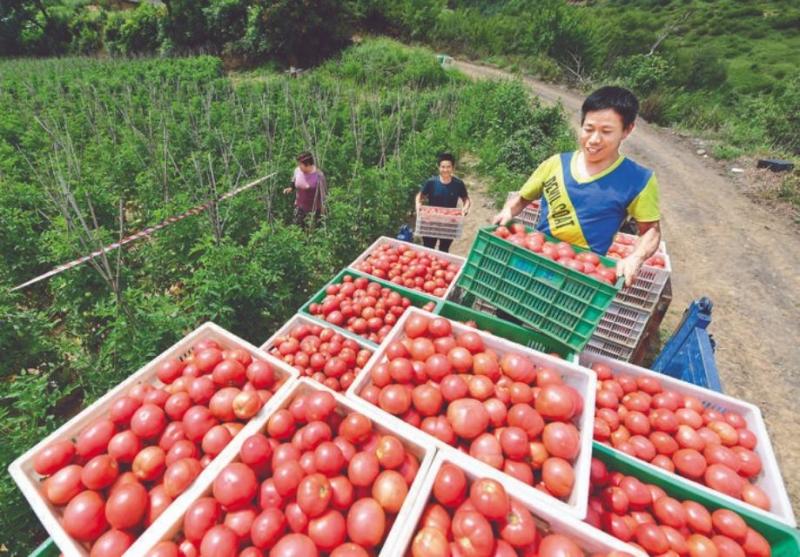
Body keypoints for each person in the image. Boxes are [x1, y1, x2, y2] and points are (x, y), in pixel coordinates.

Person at [493, 86, 661, 286]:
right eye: (588, 129)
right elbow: (522, 198)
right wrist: (507, 211)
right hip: (534, 259)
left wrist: (636, 257)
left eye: (606, 131)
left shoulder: (638, 180)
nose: (594, 139)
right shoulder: (555, 164)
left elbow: (651, 230)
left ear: (627, 130)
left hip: (581, 278)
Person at [416, 153, 472, 253]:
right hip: (431, 222)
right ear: (439, 167)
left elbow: (465, 199)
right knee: (428, 248)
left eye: (448, 167)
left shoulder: (458, 184)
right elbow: (420, 196)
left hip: (449, 223)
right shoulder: (431, 182)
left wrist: (465, 208)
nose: (445, 170)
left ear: (453, 168)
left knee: (444, 249)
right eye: (443, 167)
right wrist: (418, 204)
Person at [283, 151, 327, 228]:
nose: (299, 166)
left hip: (314, 210)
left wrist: (323, 209)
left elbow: (324, 193)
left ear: (308, 164)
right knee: (298, 230)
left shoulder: (318, 175)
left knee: (313, 231)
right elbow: (294, 180)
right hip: (300, 207)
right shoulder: (297, 170)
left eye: (300, 164)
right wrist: (291, 188)